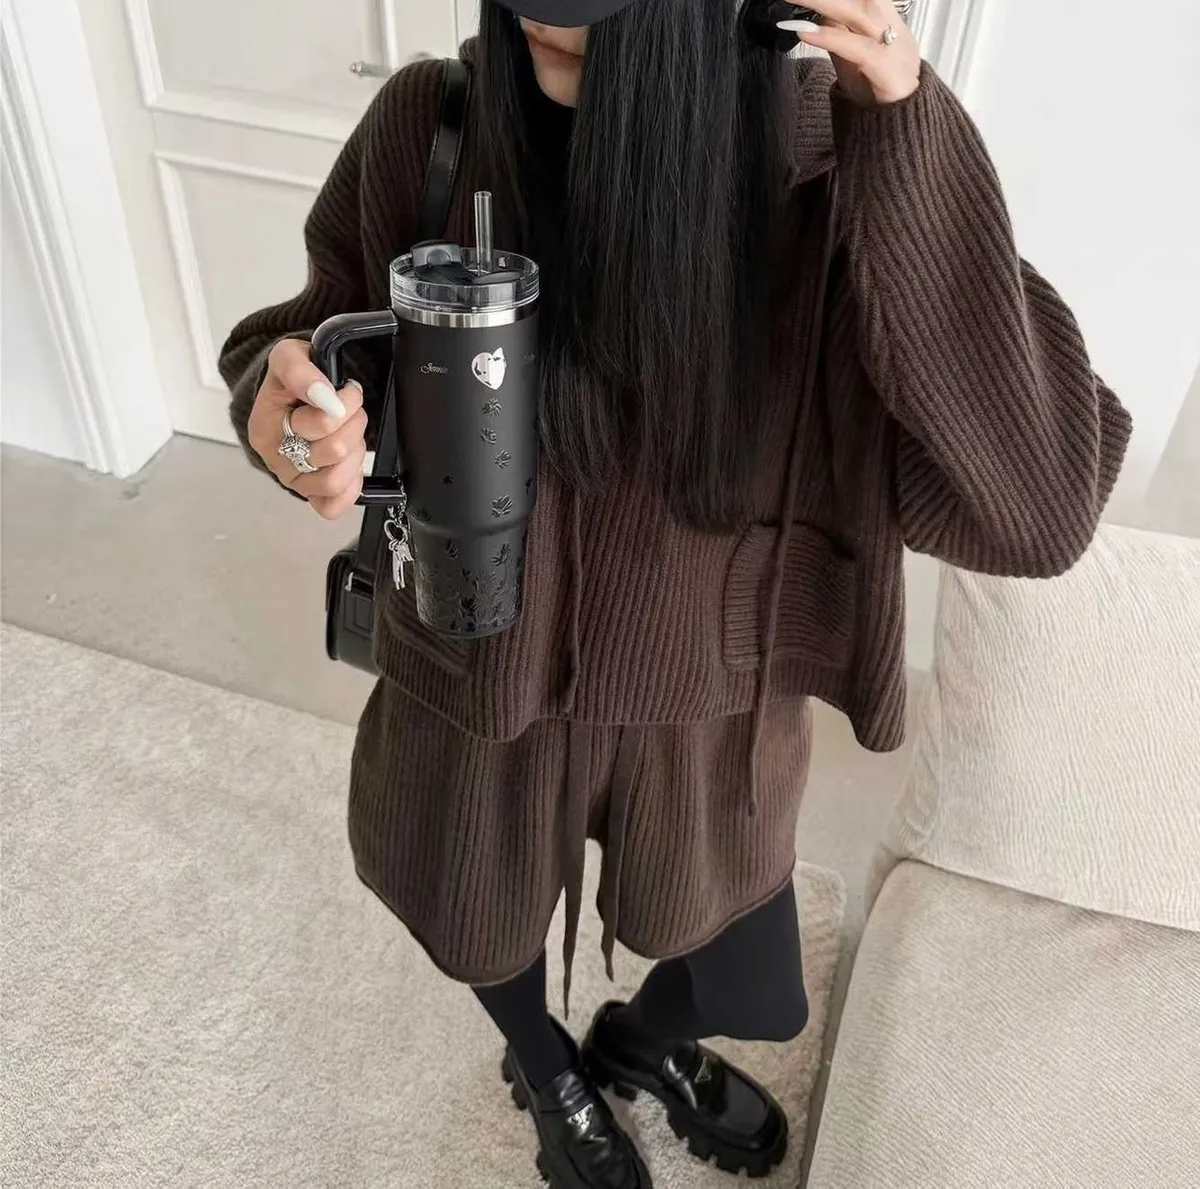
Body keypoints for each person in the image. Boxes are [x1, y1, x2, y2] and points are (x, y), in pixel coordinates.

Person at [220, 0, 1132, 1185]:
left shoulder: (826, 167)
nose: (539, 17)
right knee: (476, 924)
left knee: (751, 981)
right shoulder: (431, 123)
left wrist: (907, 133)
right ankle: (550, 1074)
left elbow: (1038, 508)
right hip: (475, 672)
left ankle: (635, 1045)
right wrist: (288, 419)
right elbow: (296, 343)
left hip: (712, 702)